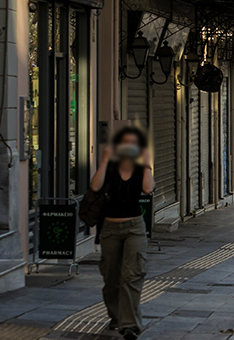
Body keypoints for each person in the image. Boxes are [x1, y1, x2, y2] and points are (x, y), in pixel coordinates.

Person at [89, 126, 155, 340]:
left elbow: (148, 189)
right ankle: (116, 316)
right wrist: (105, 159)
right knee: (111, 278)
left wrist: (146, 163)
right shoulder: (109, 167)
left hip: (134, 228)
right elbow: (95, 186)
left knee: (132, 275)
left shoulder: (140, 168)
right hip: (110, 229)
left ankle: (130, 326)